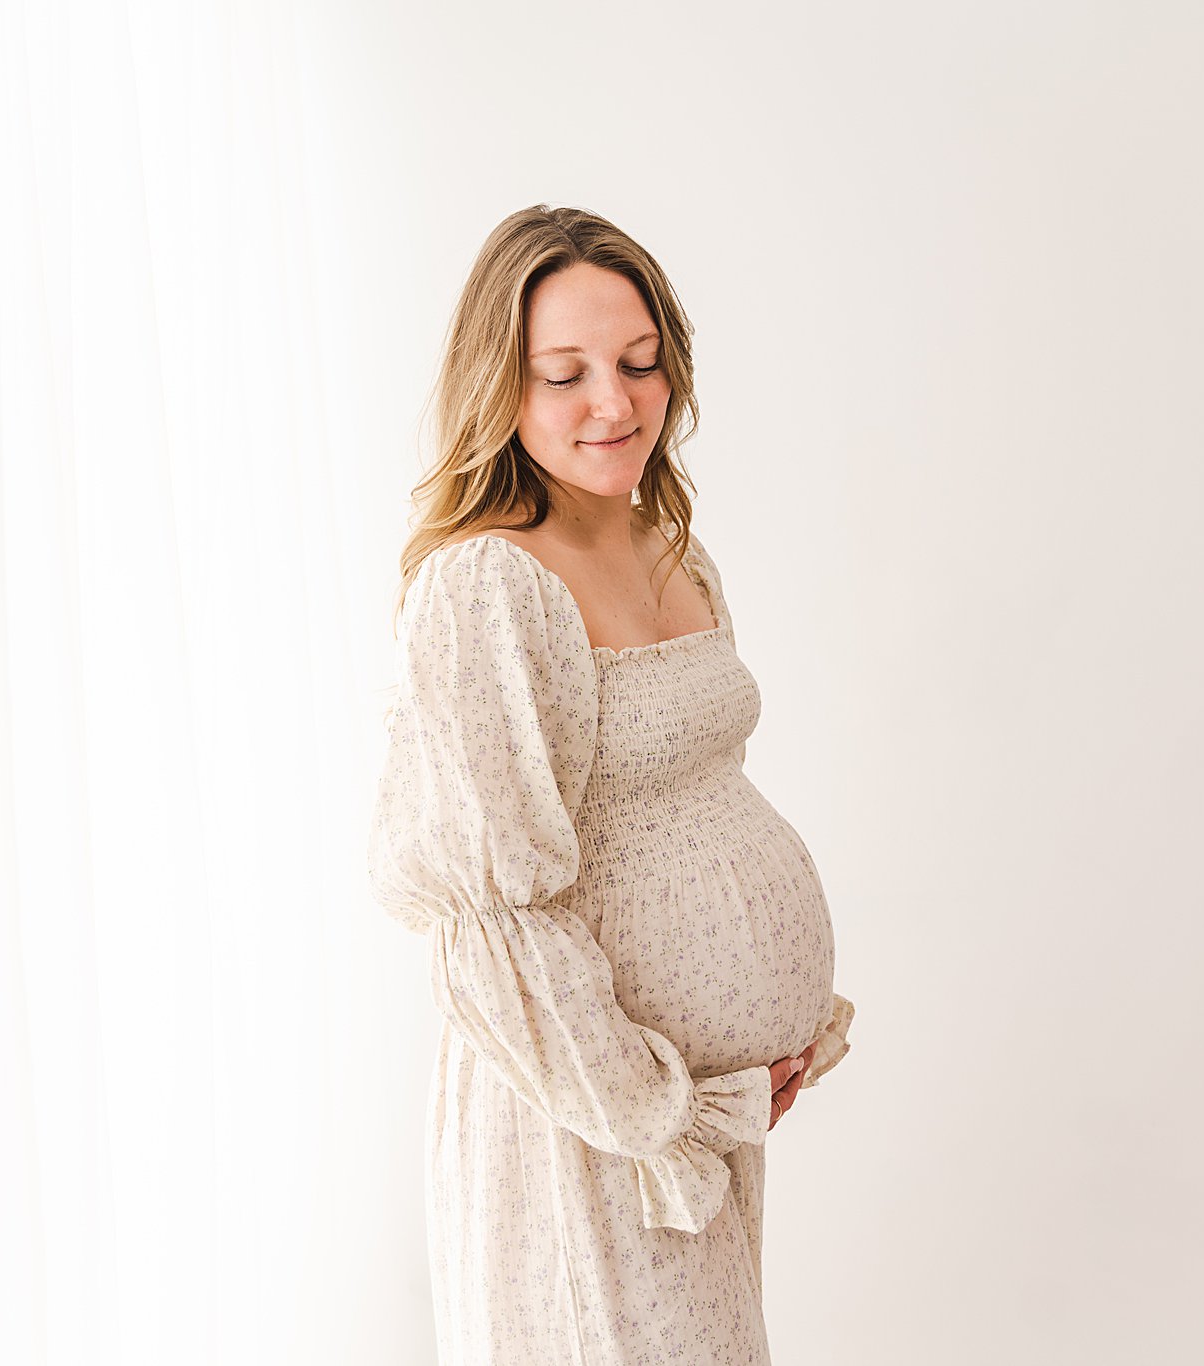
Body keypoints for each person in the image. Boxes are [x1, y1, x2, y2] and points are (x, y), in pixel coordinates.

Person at [367, 203, 856, 1366]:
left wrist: (732, 1072)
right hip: (584, 1127)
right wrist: (656, 1108)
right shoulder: (489, 587)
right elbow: (490, 924)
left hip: (693, 1118)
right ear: (502, 388)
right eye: (565, 374)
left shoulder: (669, 550)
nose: (614, 403)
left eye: (639, 364)